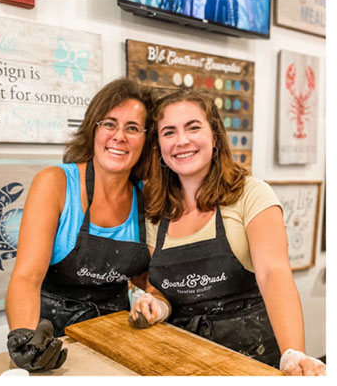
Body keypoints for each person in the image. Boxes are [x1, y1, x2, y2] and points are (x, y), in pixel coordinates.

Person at [129, 89, 326, 376]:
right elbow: (162, 287)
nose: (182, 140)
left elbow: (274, 274)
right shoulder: (157, 208)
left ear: (215, 136)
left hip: (251, 356)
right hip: (179, 357)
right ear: (159, 145)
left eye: (193, 127)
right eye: (169, 132)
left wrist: (292, 352)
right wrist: (155, 304)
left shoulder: (251, 194)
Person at [5, 78, 155, 372]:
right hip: (52, 337)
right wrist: (25, 339)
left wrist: (155, 301)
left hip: (117, 336)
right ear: (93, 129)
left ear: (147, 140)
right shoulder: (55, 183)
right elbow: (26, 277)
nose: (119, 136)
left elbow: (148, 278)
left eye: (133, 128)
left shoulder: (147, 197)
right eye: (109, 124)